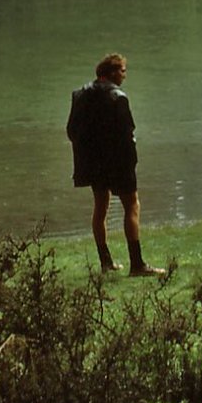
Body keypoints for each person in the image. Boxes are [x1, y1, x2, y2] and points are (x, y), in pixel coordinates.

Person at [67, 53, 165, 277]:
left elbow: (71, 131)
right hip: (117, 161)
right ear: (111, 73)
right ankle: (137, 264)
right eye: (122, 71)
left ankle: (106, 262)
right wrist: (131, 161)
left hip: (92, 162)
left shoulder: (80, 95)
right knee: (132, 205)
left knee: (100, 207)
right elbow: (127, 133)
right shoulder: (117, 97)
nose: (124, 75)